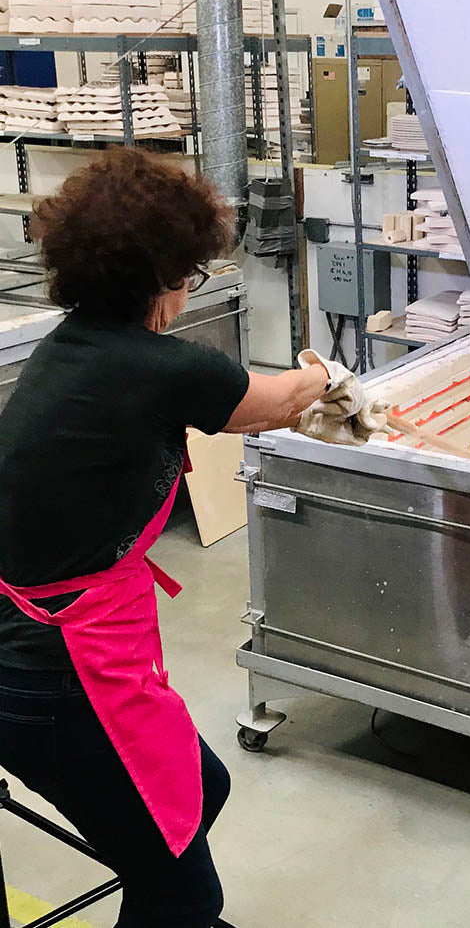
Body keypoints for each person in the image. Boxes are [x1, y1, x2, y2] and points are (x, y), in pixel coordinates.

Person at [0, 148, 379, 927]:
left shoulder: (72, 346)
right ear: (164, 277)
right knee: (185, 890)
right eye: (191, 273)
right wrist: (331, 378)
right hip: (54, 668)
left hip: (43, 636)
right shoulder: (158, 366)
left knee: (204, 789)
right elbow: (275, 401)